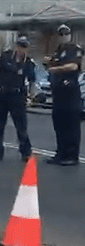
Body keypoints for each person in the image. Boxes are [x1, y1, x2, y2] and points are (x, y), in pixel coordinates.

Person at [0, 35, 36, 161]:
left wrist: (30, 97)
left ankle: (25, 152)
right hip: (1, 94)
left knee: (21, 127)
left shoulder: (28, 63)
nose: (21, 49)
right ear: (15, 46)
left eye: (24, 47)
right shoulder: (5, 56)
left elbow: (32, 81)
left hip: (17, 96)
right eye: (19, 46)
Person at [43, 24, 84, 165]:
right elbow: (51, 63)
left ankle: (72, 156)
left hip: (70, 93)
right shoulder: (59, 51)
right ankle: (61, 153)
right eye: (61, 34)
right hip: (58, 93)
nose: (63, 37)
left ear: (70, 35)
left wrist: (55, 68)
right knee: (59, 125)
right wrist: (49, 62)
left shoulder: (75, 49)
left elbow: (73, 66)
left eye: (66, 34)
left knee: (71, 126)